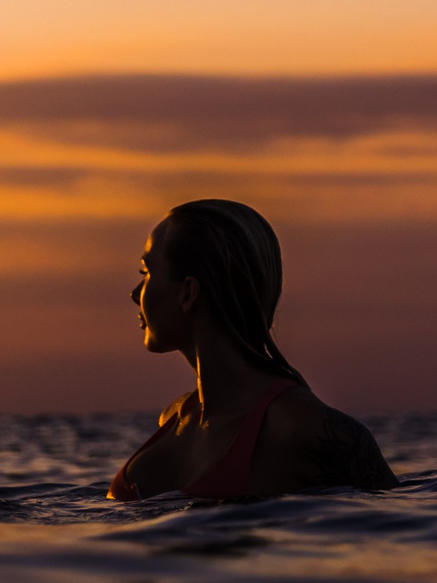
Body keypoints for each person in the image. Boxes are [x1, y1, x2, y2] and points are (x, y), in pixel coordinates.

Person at [109, 199, 395, 501]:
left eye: (146, 273)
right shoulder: (173, 418)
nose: (135, 293)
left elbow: (389, 527)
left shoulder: (302, 428)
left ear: (187, 293)